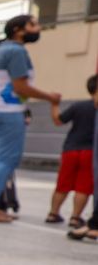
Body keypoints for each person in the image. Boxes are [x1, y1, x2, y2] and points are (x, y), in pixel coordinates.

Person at [0, 15, 62, 224]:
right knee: (7, 160)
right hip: (6, 111)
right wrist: (50, 97)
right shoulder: (17, 52)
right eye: (33, 25)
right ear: (18, 30)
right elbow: (20, 87)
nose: (38, 28)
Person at [49, 74, 96, 228]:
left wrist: (54, 104)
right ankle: (75, 217)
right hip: (90, 152)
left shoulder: (78, 106)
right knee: (84, 186)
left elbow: (58, 120)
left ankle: (53, 213)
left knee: (63, 183)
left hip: (71, 149)